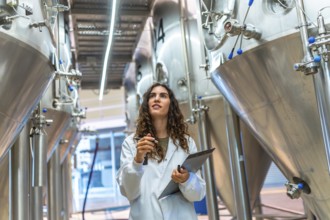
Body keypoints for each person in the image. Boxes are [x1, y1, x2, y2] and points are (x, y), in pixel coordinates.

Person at [116, 83, 206, 219]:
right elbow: (128, 192)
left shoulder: (186, 143)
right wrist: (137, 160)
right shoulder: (132, 144)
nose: (156, 99)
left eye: (163, 96)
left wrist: (187, 179)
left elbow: (198, 194)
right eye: (152, 96)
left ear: (171, 106)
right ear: (147, 104)